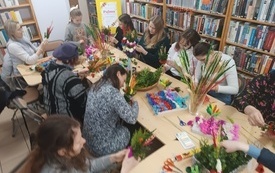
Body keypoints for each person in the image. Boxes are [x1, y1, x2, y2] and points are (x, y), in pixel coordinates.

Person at [17, 116, 139, 173]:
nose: (84, 141)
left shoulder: (58, 157)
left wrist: (113, 158)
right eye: (78, 141)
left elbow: (88, 167)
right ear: (62, 151)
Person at [83, 64, 139, 157]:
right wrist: (136, 103)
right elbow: (132, 119)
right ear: (118, 74)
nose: (122, 85)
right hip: (102, 146)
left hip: (88, 141)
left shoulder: (96, 85)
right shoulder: (112, 92)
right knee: (130, 128)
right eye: (123, 80)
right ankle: (127, 158)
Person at [41, 42, 88, 124]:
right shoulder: (69, 77)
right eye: (75, 58)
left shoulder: (48, 69)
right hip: (65, 121)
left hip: (51, 114)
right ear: (68, 60)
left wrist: (76, 74)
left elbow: (59, 78)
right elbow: (83, 101)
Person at [1, 20, 48, 89]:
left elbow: (35, 51)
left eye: (21, 27)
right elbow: (29, 60)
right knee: (47, 77)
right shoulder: (12, 46)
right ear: (12, 33)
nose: (22, 31)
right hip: (21, 75)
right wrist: (41, 49)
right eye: (19, 29)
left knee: (49, 73)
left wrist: (42, 44)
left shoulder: (23, 38)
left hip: (31, 67)